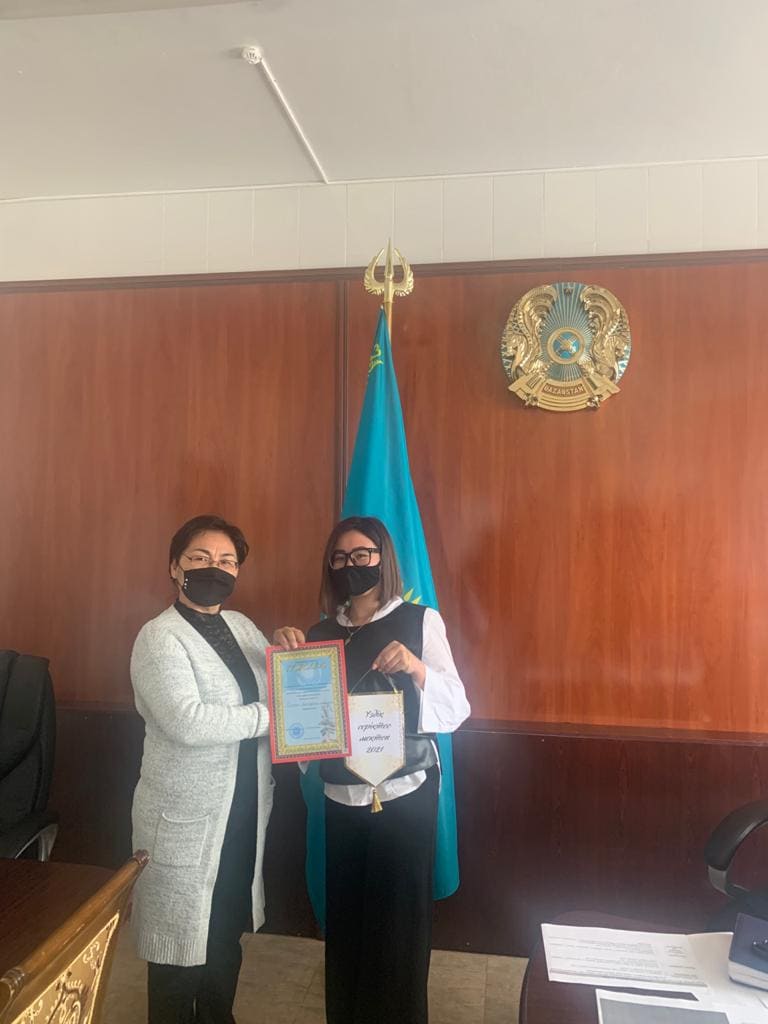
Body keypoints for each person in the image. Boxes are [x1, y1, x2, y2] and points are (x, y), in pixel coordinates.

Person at [274, 515, 470, 1024]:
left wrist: (416, 667)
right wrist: (285, 664)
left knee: (399, 930)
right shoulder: (319, 634)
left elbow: (457, 706)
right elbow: (303, 728)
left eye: (362, 555)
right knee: (348, 924)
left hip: (405, 796)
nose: (351, 565)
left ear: (383, 559)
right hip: (343, 798)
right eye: (340, 558)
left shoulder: (419, 621)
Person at [130, 514, 274, 1024]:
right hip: (184, 821)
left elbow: (281, 683)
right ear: (175, 567)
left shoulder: (243, 627)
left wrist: (294, 654)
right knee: (178, 952)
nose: (216, 568)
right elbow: (186, 720)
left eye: (227, 561)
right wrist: (271, 718)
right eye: (200, 558)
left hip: (241, 815)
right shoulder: (158, 637)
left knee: (225, 937)